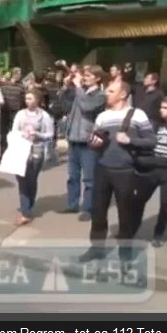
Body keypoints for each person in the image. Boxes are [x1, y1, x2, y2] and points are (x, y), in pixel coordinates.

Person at [80, 81, 156, 264]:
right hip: (103, 169)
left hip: (126, 172)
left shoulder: (138, 115)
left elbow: (151, 140)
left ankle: (125, 252)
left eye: (111, 90)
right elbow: (96, 144)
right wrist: (93, 141)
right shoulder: (102, 116)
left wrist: (130, 140)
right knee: (98, 212)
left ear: (122, 95)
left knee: (125, 214)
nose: (106, 93)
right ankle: (96, 249)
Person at [60, 65, 106, 221]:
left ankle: (88, 208)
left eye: (88, 75)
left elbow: (88, 106)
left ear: (97, 78)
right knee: (72, 176)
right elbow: (64, 103)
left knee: (89, 178)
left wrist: (78, 87)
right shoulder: (80, 92)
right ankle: (72, 205)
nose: (84, 77)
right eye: (84, 75)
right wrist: (67, 86)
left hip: (87, 141)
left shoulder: (100, 95)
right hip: (73, 138)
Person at [11, 89, 54, 225]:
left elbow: (50, 134)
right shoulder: (20, 114)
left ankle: (29, 205)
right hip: (21, 150)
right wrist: (22, 135)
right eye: (26, 98)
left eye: (30, 98)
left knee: (31, 179)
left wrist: (36, 134)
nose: (27, 101)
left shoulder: (44, 116)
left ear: (37, 100)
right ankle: (25, 212)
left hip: (37, 150)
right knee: (22, 180)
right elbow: (14, 131)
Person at [131, 96, 167, 247]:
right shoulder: (156, 125)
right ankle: (130, 230)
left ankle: (158, 234)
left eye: (165, 108)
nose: (161, 110)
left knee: (166, 205)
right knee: (139, 199)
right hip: (153, 168)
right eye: (161, 107)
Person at [0, 67, 25, 154]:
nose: (20, 75)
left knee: (14, 131)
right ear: (14, 74)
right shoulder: (4, 84)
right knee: (3, 132)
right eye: (19, 74)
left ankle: (13, 151)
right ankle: (3, 152)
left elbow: (23, 98)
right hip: (4, 111)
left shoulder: (21, 86)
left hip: (15, 111)